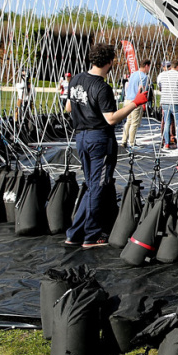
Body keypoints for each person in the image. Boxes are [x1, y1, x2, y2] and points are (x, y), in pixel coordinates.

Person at [64, 43, 148, 248]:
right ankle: (91, 235)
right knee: (98, 187)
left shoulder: (76, 80)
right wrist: (135, 103)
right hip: (99, 140)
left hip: (81, 138)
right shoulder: (102, 87)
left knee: (91, 185)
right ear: (110, 62)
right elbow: (111, 119)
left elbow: (68, 108)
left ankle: (75, 233)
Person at [157, 58, 178, 150]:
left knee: (166, 123)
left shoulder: (163, 75)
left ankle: (166, 143)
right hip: (177, 102)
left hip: (165, 102)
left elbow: (160, 88)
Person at [120, 60, 151, 150]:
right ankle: (132, 142)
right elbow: (140, 89)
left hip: (127, 100)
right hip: (135, 101)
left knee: (128, 121)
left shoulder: (133, 74)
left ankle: (124, 141)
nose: (149, 69)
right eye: (149, 67)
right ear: (146, 66)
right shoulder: (144, 77)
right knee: (134, 123)